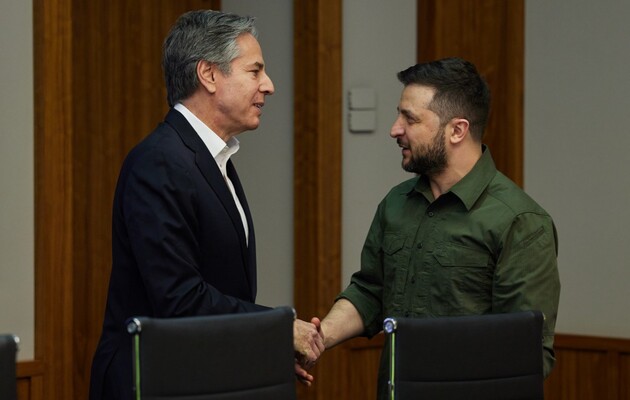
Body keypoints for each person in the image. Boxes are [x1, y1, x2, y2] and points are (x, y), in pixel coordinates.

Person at [89, 10, 323, 400]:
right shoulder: (160, 161)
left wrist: (262, 348)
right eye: (255, 71)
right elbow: (179, 298)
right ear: (209, 75)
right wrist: (278, 328)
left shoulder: (211, 158)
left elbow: (219, 289)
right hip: (155, 382)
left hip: (200, 375)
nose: (269, 85)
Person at [312, 57, 560, 399]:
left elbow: (525, 352)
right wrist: (319, 337)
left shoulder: (520, 221)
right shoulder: (396, 203)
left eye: (410, 118)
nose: (395, 129)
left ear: (457, 130)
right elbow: (371, 292)